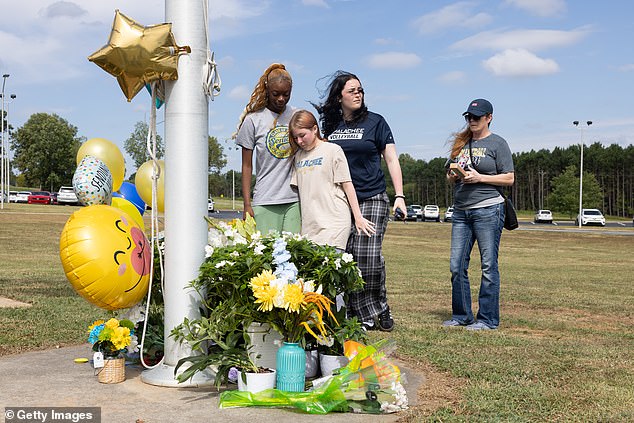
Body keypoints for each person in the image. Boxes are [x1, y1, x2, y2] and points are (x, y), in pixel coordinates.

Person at [314, 71, 406, 332]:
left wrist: (399, 196)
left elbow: (391, 159)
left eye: (361, 90)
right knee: (349, 258)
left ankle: (366, 313)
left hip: (372, 196)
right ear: (339, 96)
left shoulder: (376, 122)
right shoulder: (331, 127)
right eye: (352, 90)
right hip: (340, 201)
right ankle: (378, 307)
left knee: (366, 255)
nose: (358, 94)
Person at [443, 98, 515, 331]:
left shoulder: (498, 143)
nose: (472, 121)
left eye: (477, 117)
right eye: (469, 117)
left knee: (488, 265)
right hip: (462, 211)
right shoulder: (461, 143)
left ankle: (487, 319)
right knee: (456, 265)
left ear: (489, 118)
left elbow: (509, 178)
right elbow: (449, 173)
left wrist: (480, 178)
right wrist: (454, 176)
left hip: (488, 209)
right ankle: (462, 315)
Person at [288, 109, 376, 250]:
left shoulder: (333, 150)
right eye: (295, 138)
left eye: (302, 135)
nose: (299, 141)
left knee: (330, 270)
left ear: (315, 129)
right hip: (310, 229)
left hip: (334, 225)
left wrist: (358, 217)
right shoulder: (298, 157)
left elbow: (348, 185)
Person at [234, 63, 300, 234]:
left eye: (286, 94)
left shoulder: (297, 116)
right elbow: (246, 166)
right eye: (275, 94)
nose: (281, 99)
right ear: (266, 90)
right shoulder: (253, 120)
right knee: (268, 256)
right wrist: (247, 204)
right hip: (265, 200)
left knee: (293, 255)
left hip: (294, 199)